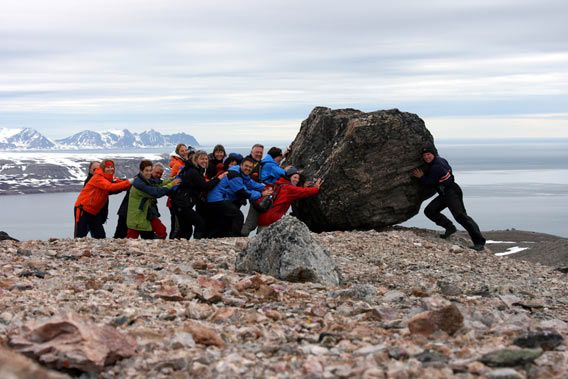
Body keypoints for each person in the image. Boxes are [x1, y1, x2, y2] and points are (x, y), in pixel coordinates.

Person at [412, 146, 486, 251]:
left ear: (433, 154)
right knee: (430, 211)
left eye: (428, 154)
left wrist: (421, 177)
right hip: (445, 192)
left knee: (461, 216)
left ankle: (479, 242)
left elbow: (429, 183)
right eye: (424, 156)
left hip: (451, 192)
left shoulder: (436, 167)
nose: (426, 157)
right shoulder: (441, 160)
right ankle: (450, 227)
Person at [207, 157, 272, 237]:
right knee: (238, 216)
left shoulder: (242, 174)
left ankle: (219, 238)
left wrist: (265, 187)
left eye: (250, 167)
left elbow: (250, 183)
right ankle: (235, 238)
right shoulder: (234, 175)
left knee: (224, 222)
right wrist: (261, 194)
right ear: (241, 165)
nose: (248, 168)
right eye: (246, 166)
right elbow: (243, 192)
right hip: (216, 199)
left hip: (221, 198)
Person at [171, 150, 226, 239]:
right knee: (199, 223)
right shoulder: (194, 171)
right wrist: (218, 178)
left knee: (186, 230)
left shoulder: (192, 169)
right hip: (182, 205)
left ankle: (180, 248)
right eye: (202, 159)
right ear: (196, 160)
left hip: (180, 204)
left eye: (206, 159)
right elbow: (205, 186)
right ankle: (198, 244)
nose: (205, 161)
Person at [74, 159, 132, 238]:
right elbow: (110, 187)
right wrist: (129, 182)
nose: (110, 169)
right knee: (80, 236)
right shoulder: (97, 177)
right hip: (83, 209)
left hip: (94, 211)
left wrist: (131, 183)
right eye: (108, 167)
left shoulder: (108, 178)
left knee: (100, 236)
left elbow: (118, 183)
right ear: (103, 168)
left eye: (112, 167)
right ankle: (76, 249)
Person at [126, 160, 179, 239]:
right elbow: (155, 192)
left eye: (150, 170)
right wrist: (171, 184)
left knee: (158, 233)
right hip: (138, 216)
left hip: (145, 214)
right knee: (132, 239)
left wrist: (174, 178)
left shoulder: (146, 181)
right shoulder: (139, 184)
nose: (149, 173)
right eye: (146, 170)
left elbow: (160, 183)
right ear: (141, 171)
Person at [257, 167, 322, 231]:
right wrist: (315, 188)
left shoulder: (278, 184)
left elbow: (296, 190)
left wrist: (302, 186)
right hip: (273, 219)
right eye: (295, 177)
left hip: (263, 218)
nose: (297, 180)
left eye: (298, 178)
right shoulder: (288, 188)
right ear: (289, 177)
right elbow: (302, 192)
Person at [114, 163, 167, 238]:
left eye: (160, 174)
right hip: (129, 211)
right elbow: (155, 193)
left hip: (142, 213)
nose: (158, 175)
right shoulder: (141, 182)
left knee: (141, 235)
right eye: (157, 172)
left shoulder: (148, 181)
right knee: (123, 234)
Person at [167, 143, 192, 238]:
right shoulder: (178, 164)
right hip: (175, 200)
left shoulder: (184, 162)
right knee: (177, 226)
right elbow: (171, 181)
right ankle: (172, 244)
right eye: (182, 151)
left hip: (181, 199)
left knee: (181, 224)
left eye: (186, 150)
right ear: (178, 152)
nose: (185, 152)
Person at [241, 144, 265, 236]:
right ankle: (241, 236)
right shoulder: (249, 163)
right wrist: (260, 191)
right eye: (257, 152)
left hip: (254, 194)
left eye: (261, 152)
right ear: (251, 152)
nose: (259, 154)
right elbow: (246, 181)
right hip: (249, 194)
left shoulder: (257, 163)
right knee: (251, 222)